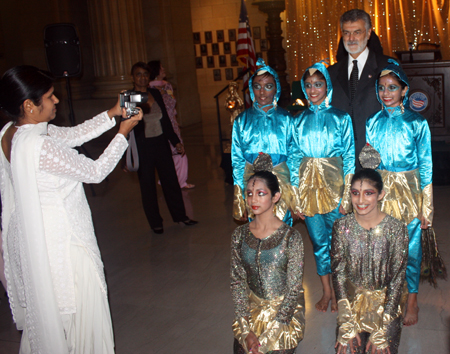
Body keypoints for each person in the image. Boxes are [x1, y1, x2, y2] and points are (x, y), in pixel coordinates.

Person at [0, 65, 143, 353]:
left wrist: (113, 113)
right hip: (61, 245)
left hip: (31, 237)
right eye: (49, 96)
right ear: (29, 105)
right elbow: (95, 171)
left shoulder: (11, 133)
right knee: (74, 317)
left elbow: (73, 134)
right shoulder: (40, 146)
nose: (56, 101)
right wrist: (122, 133)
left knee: (50, 317)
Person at [365, 60, 433, 326]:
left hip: (409, 191)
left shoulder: (416, 123)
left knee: (410, 248)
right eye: (381, 87)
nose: (386, 93)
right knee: (382, 246)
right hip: (381, 191)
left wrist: (426, 206)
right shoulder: (373, 121)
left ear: (404, 90)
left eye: (392, 87)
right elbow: (370, 163)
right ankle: (388, 295)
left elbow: (425, 164)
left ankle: (412, 299)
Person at [292, 62, 355, 313]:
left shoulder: (341, 118)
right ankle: (327, 290)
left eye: (318, 84)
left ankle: (342, 290)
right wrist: (296, 197)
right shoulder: (299, 120)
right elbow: (294, 158)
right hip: (308, 193)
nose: (312, 89)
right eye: (307, 85)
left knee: (339, 242)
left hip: (335, 190)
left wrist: (347, 195)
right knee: (318, 243)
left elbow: (350, 157)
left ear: (326, 85)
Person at [230, 153, 305, 354]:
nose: (253, 199)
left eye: (261, 193)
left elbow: (294, 290)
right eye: (249, 193)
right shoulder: (239, 235)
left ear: (275, 197)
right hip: (252, 312)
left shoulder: (291, 238)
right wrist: (246, 330)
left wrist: (268, 338)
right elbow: (238, 282)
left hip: (283, 316)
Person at [332, 168, 408, 354]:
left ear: (381, 194)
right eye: (355, 193)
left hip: (386, 305)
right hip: (351, 304)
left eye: (369, 193)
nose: (360, 200)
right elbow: (338, 273)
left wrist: (383, 327)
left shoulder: (397, 229)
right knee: (348, 349)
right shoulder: (341, 227)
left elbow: (397, 280)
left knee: (380, 349)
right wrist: (346, 320)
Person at [129, 62, 197, 234]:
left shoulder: (155, 93)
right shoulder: (130, 97)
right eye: (138, 74)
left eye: (145, 74)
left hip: (160, 143)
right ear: (133, 77)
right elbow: (126, 126)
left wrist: (175, 141)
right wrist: (124, 157)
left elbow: (165, 120)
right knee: (148, 187)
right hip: (143, 147)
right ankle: (155, 222)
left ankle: (181, 216)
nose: (142, 77)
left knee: (171, 182)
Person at [231, 58, 298, 226]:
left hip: (281, 182)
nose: (262, 92)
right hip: (253, 183)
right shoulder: (242, 120)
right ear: (252, 90)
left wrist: (295, 194)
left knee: (281, 229)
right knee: (259, 228)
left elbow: (295, 156)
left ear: (276, 89)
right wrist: (240, 196)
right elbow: (237, 160)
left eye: (268, 86)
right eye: (257, 86)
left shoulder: (286, 119)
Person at [328, 9, 391, 170]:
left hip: (379, 159)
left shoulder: (387, 68)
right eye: (346, 33)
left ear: (369, 33)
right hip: (341, 162)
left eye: (357, 32)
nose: (351, 39)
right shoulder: (330, 73)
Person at [148, 60, 195, 189]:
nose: (163, 69)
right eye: (161, 67)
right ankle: (166, 180)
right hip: (159, 124)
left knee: (179, 152)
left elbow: (171, 104)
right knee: (166, 153)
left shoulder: (167, 86)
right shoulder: (149, 89)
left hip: (171, 123)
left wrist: (174, 119)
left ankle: (181, 181)